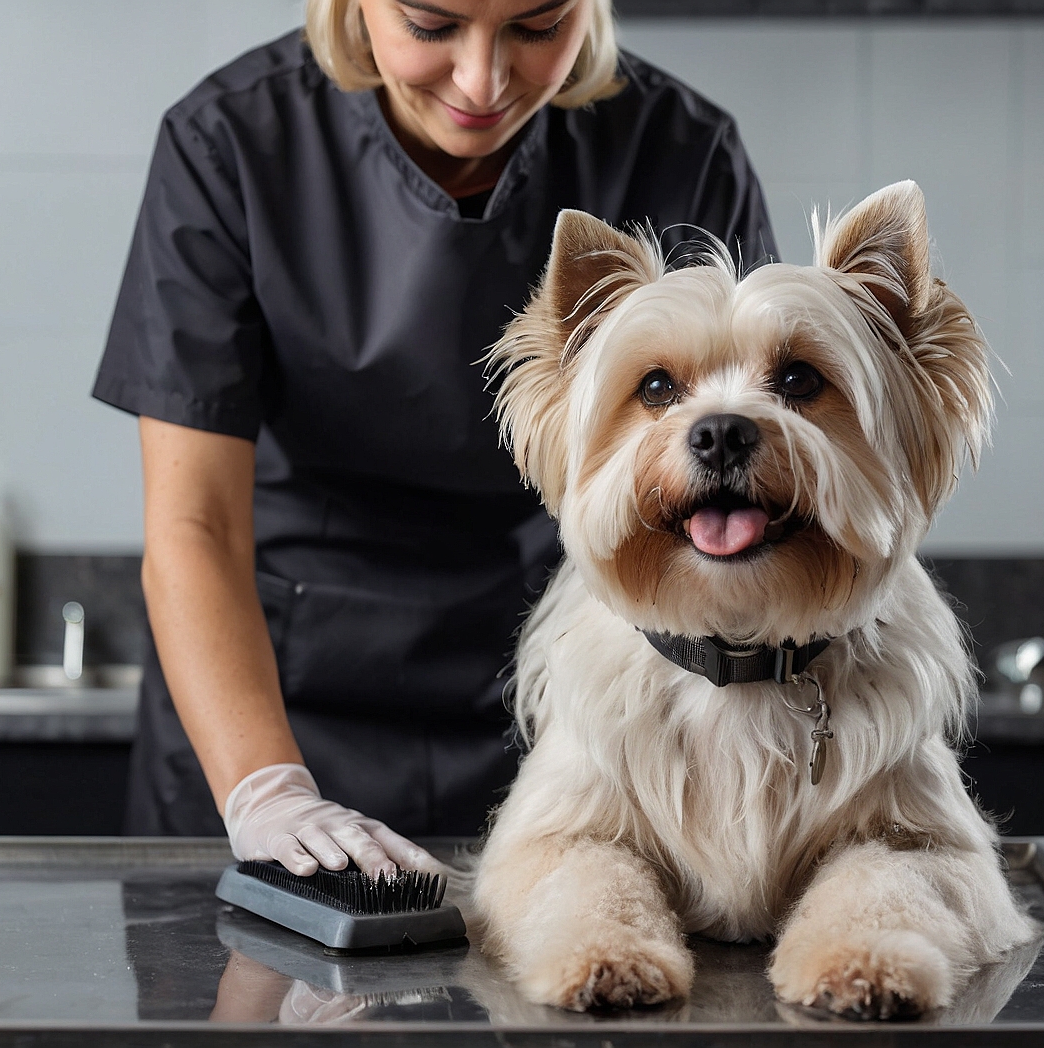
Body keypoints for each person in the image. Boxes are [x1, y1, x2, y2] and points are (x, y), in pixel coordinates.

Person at [93, 0, 775, 879]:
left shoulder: (680, 153)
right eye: (429, 25)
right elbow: (195, 528)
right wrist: (266, 791)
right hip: (275, 699)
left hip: (578, 704)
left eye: (536, 27)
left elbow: (732, 495)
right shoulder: (228, 145)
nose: (482, 82)